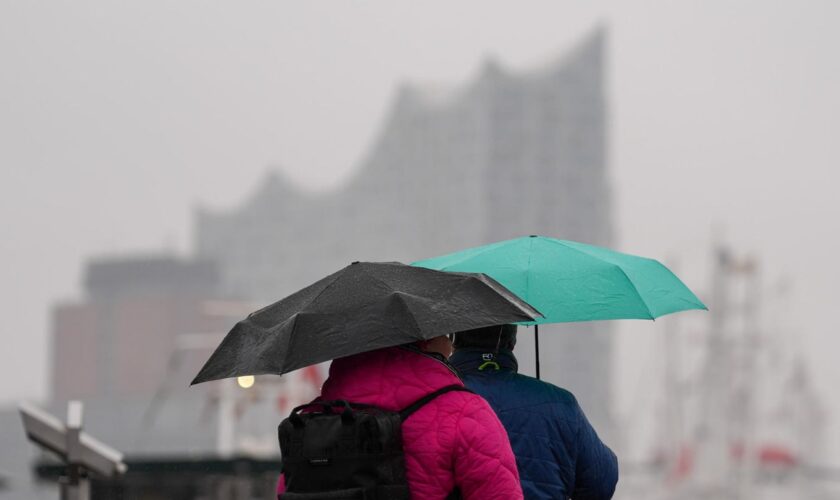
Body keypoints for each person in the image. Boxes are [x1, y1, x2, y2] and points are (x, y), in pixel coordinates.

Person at [277, 335, 524, 500]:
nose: (450, 345)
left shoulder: (315, 417)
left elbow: (288, 489)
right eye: (445, 334)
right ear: (426, 341)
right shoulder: (465, 410)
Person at [449, 325, 618, 500]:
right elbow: (601, 481)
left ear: (453, 341)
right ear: (512, 342)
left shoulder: (437, 402)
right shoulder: (560, 403)